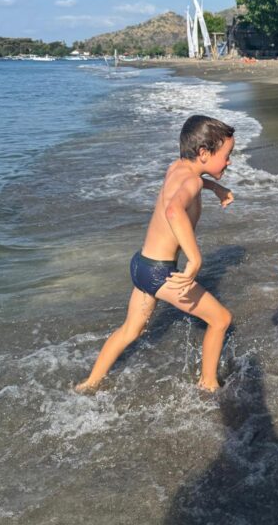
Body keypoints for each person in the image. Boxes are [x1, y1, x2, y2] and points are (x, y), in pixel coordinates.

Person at [76, 115, 235, 393]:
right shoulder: (193, 183)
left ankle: (89, 383)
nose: (229, 162)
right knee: (220, 320)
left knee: (130, 330)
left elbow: (192, 183)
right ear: (203, 153)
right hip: (161, 273)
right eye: (226, 156)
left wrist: (217, 187)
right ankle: (208, 384)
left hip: (142, 266)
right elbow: (174, 210)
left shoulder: (177, 167)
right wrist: (195, 259)